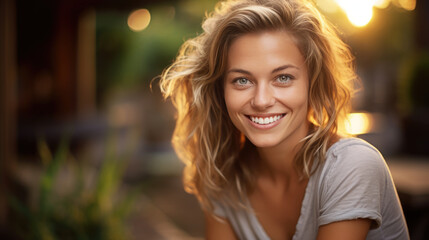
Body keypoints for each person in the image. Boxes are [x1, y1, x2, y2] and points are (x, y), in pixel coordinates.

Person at [159, 0, 409, 239]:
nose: (261, 100)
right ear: (220, 91)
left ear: (313, 83)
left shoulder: (352, 166)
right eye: (242, 80)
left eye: (283, 78)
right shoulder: (221, 177)